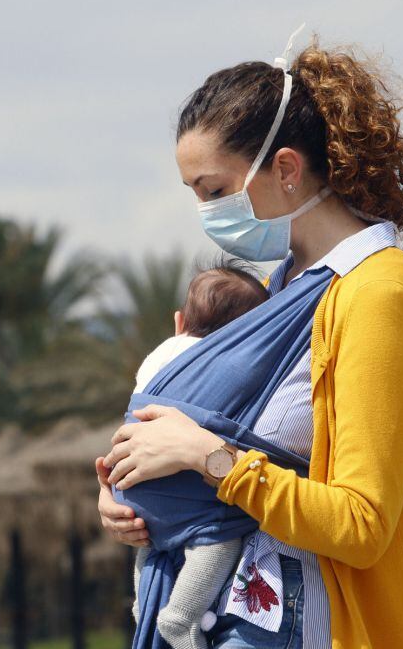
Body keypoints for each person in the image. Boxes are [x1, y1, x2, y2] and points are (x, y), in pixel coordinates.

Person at [95, 24, 403, 648]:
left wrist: (206, 457)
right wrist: (135, 496)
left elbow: (361, 524)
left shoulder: (379, 293)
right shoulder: (278, 292)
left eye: (215, 191)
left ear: (287, 169)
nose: (205, 213)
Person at [128, 261, 270, 649]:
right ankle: (181, 617)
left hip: (137, 494)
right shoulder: (232, 365)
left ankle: (143, 606)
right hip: (192, 505)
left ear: (179, 321)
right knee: (218, 542)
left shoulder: (159, 355)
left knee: (150, 546)